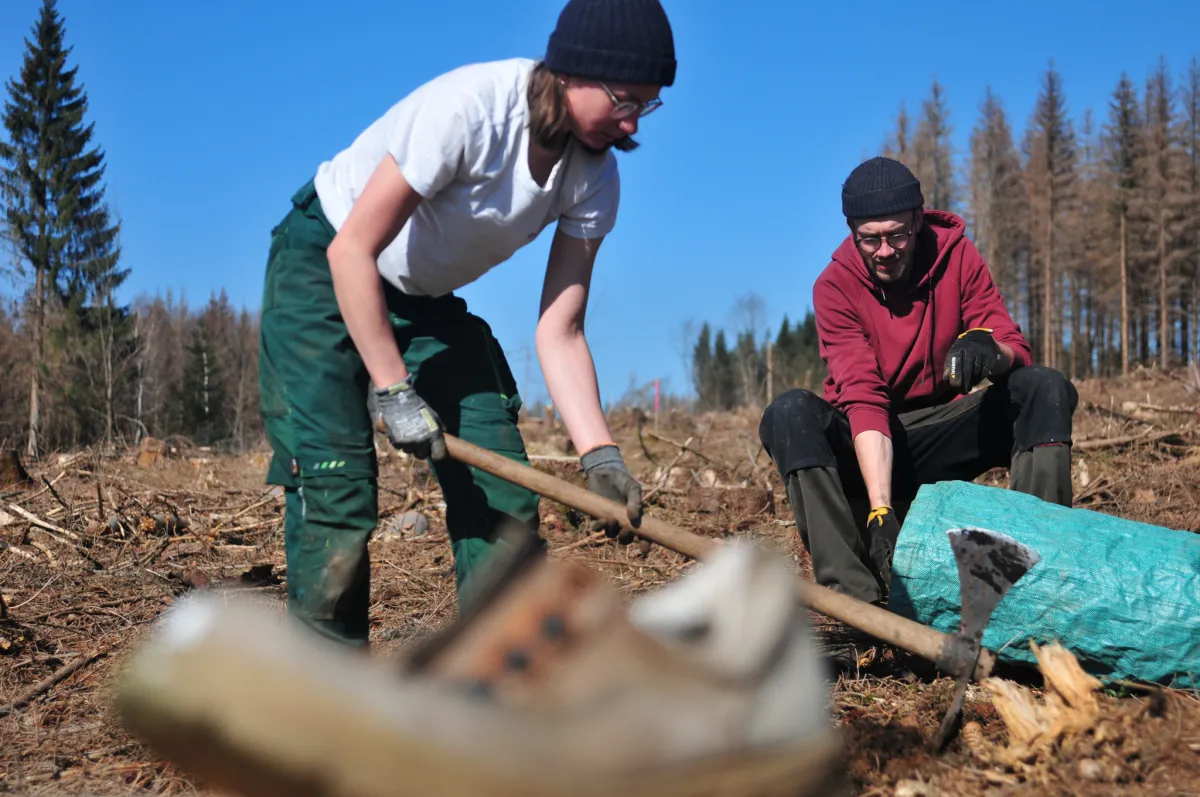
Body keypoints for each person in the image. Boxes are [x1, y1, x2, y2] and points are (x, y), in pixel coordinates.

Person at [257, 0, 677, 647]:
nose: (630, 123)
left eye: (646, 106)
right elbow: (351, 252)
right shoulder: (472, 111)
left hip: (421, 296)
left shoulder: (595, 179)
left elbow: (560, 330)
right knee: (336, 490)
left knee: (501, 494)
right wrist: (394, 388)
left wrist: (600, 454)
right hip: (325, 261)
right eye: (624, 100)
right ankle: (324, 688)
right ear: (571, 71)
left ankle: (493, 680)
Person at [758, 156, 1078, 614]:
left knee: (1042, 387)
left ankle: (1037, 581)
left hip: (941, 433)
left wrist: (991, 351)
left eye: (897, 235)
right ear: (851, 231)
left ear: (917, 219)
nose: (885, 250)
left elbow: (1014, 346)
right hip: (868, 444)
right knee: (789, 413)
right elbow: (863, 395)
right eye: (870, 238)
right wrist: (881, 508)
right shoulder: (834, 286)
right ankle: (855, 603)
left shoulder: (957, 256)